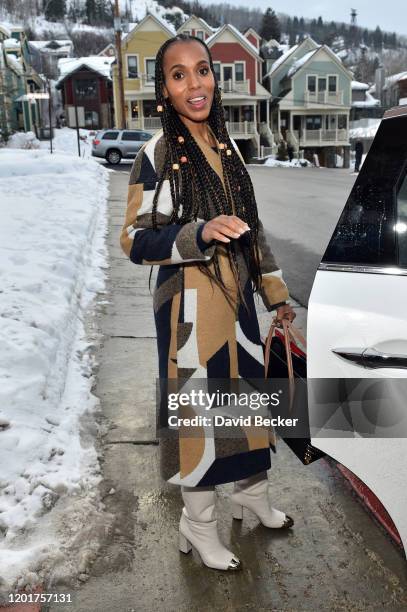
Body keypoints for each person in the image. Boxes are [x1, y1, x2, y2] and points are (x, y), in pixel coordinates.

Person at [119, 34, 296, 572]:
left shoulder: (227, 145)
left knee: (246, 406)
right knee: (200, 418)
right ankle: (196, 525)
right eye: (178, 75)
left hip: (237, 301)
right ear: (164, 90)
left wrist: (275, 294)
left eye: (202, 70)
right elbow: (134, 238)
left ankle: (250, 495)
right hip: (189, 311)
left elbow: (253, 228)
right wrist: (198, 230)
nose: (194, 84)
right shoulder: (159, 154)